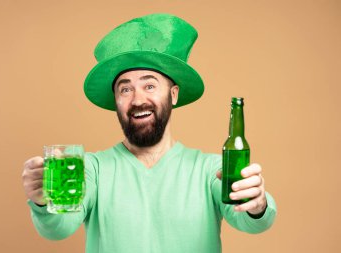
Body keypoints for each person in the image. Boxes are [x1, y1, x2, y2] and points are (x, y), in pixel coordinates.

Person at [22, 13, 277, 253]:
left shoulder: (210, 170)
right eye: (125, 89)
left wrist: (257, 204)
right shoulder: (91, 169)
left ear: (173, 94)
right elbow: (58, 228)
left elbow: (252, 222)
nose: (137, 100)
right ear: (116, 101)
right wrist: (43, 202)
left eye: (150, 85)